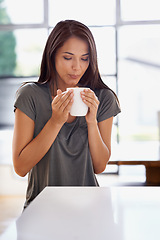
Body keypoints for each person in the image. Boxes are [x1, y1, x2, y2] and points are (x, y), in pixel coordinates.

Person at [12, 20, 121, 208]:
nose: (77, 67)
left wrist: (92, 122)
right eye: (68, 57)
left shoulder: (103, 98)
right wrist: (55, 122)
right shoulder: (30, 95)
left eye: (84, 58)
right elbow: (21, 167)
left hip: (89, 209)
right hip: (40, 210)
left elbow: (99, 166)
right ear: (52, 56)